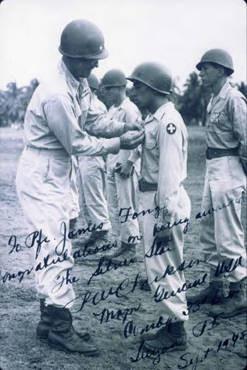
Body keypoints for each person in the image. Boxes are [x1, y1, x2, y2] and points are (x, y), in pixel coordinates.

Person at [15, 19, 144, 355]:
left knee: (54, 245)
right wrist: (118, 144)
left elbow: (92, 120)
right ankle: (60, 327)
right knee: (55, 248)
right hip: (43, 169)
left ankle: (49, 321)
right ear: (71, 57)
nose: (96, 64)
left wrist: (121, 126)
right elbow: (78, 142)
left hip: (55, 169)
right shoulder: (56, 92)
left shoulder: (78, 82)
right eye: (90, 58)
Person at [127, 62, 191, 351]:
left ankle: (176, 332)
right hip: (153, 200)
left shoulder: (168, 122)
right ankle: (172, 324)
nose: (133, 92)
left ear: (154, 88)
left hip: (163, 202)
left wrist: (165, 217)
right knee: (162, 267)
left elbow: (169, 174)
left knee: (164, 268)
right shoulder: (154, 118)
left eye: (138, 86)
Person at [188, 49, 247, 318]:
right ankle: (215, 285)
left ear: (223, 71)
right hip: (213, 166)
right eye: (201, 68)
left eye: (207, 67)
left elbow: (245, 139)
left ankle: (238, 293)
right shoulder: (214, 98)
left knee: (228, 232)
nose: (201, 72)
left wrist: (241, 175)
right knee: (208, 229)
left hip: (229, 166)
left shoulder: (234, 99)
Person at [100, 69, 141, 260]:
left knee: (127, 206)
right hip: (113, 162)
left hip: (125, 164)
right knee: (114, 206)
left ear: (120, 88)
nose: (106, 93)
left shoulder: (129, 109)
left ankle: (130, 247)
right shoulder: (113, 110)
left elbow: (139, 138)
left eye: (109, 89)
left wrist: (131, 162)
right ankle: (121, 243)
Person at [77, 73, 111, 245]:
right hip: (84, 156)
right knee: (84, 198)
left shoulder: (95, 105)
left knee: (95, 197)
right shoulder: (85, 104)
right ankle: (94, 231)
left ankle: (102, 233)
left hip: (93, 156)